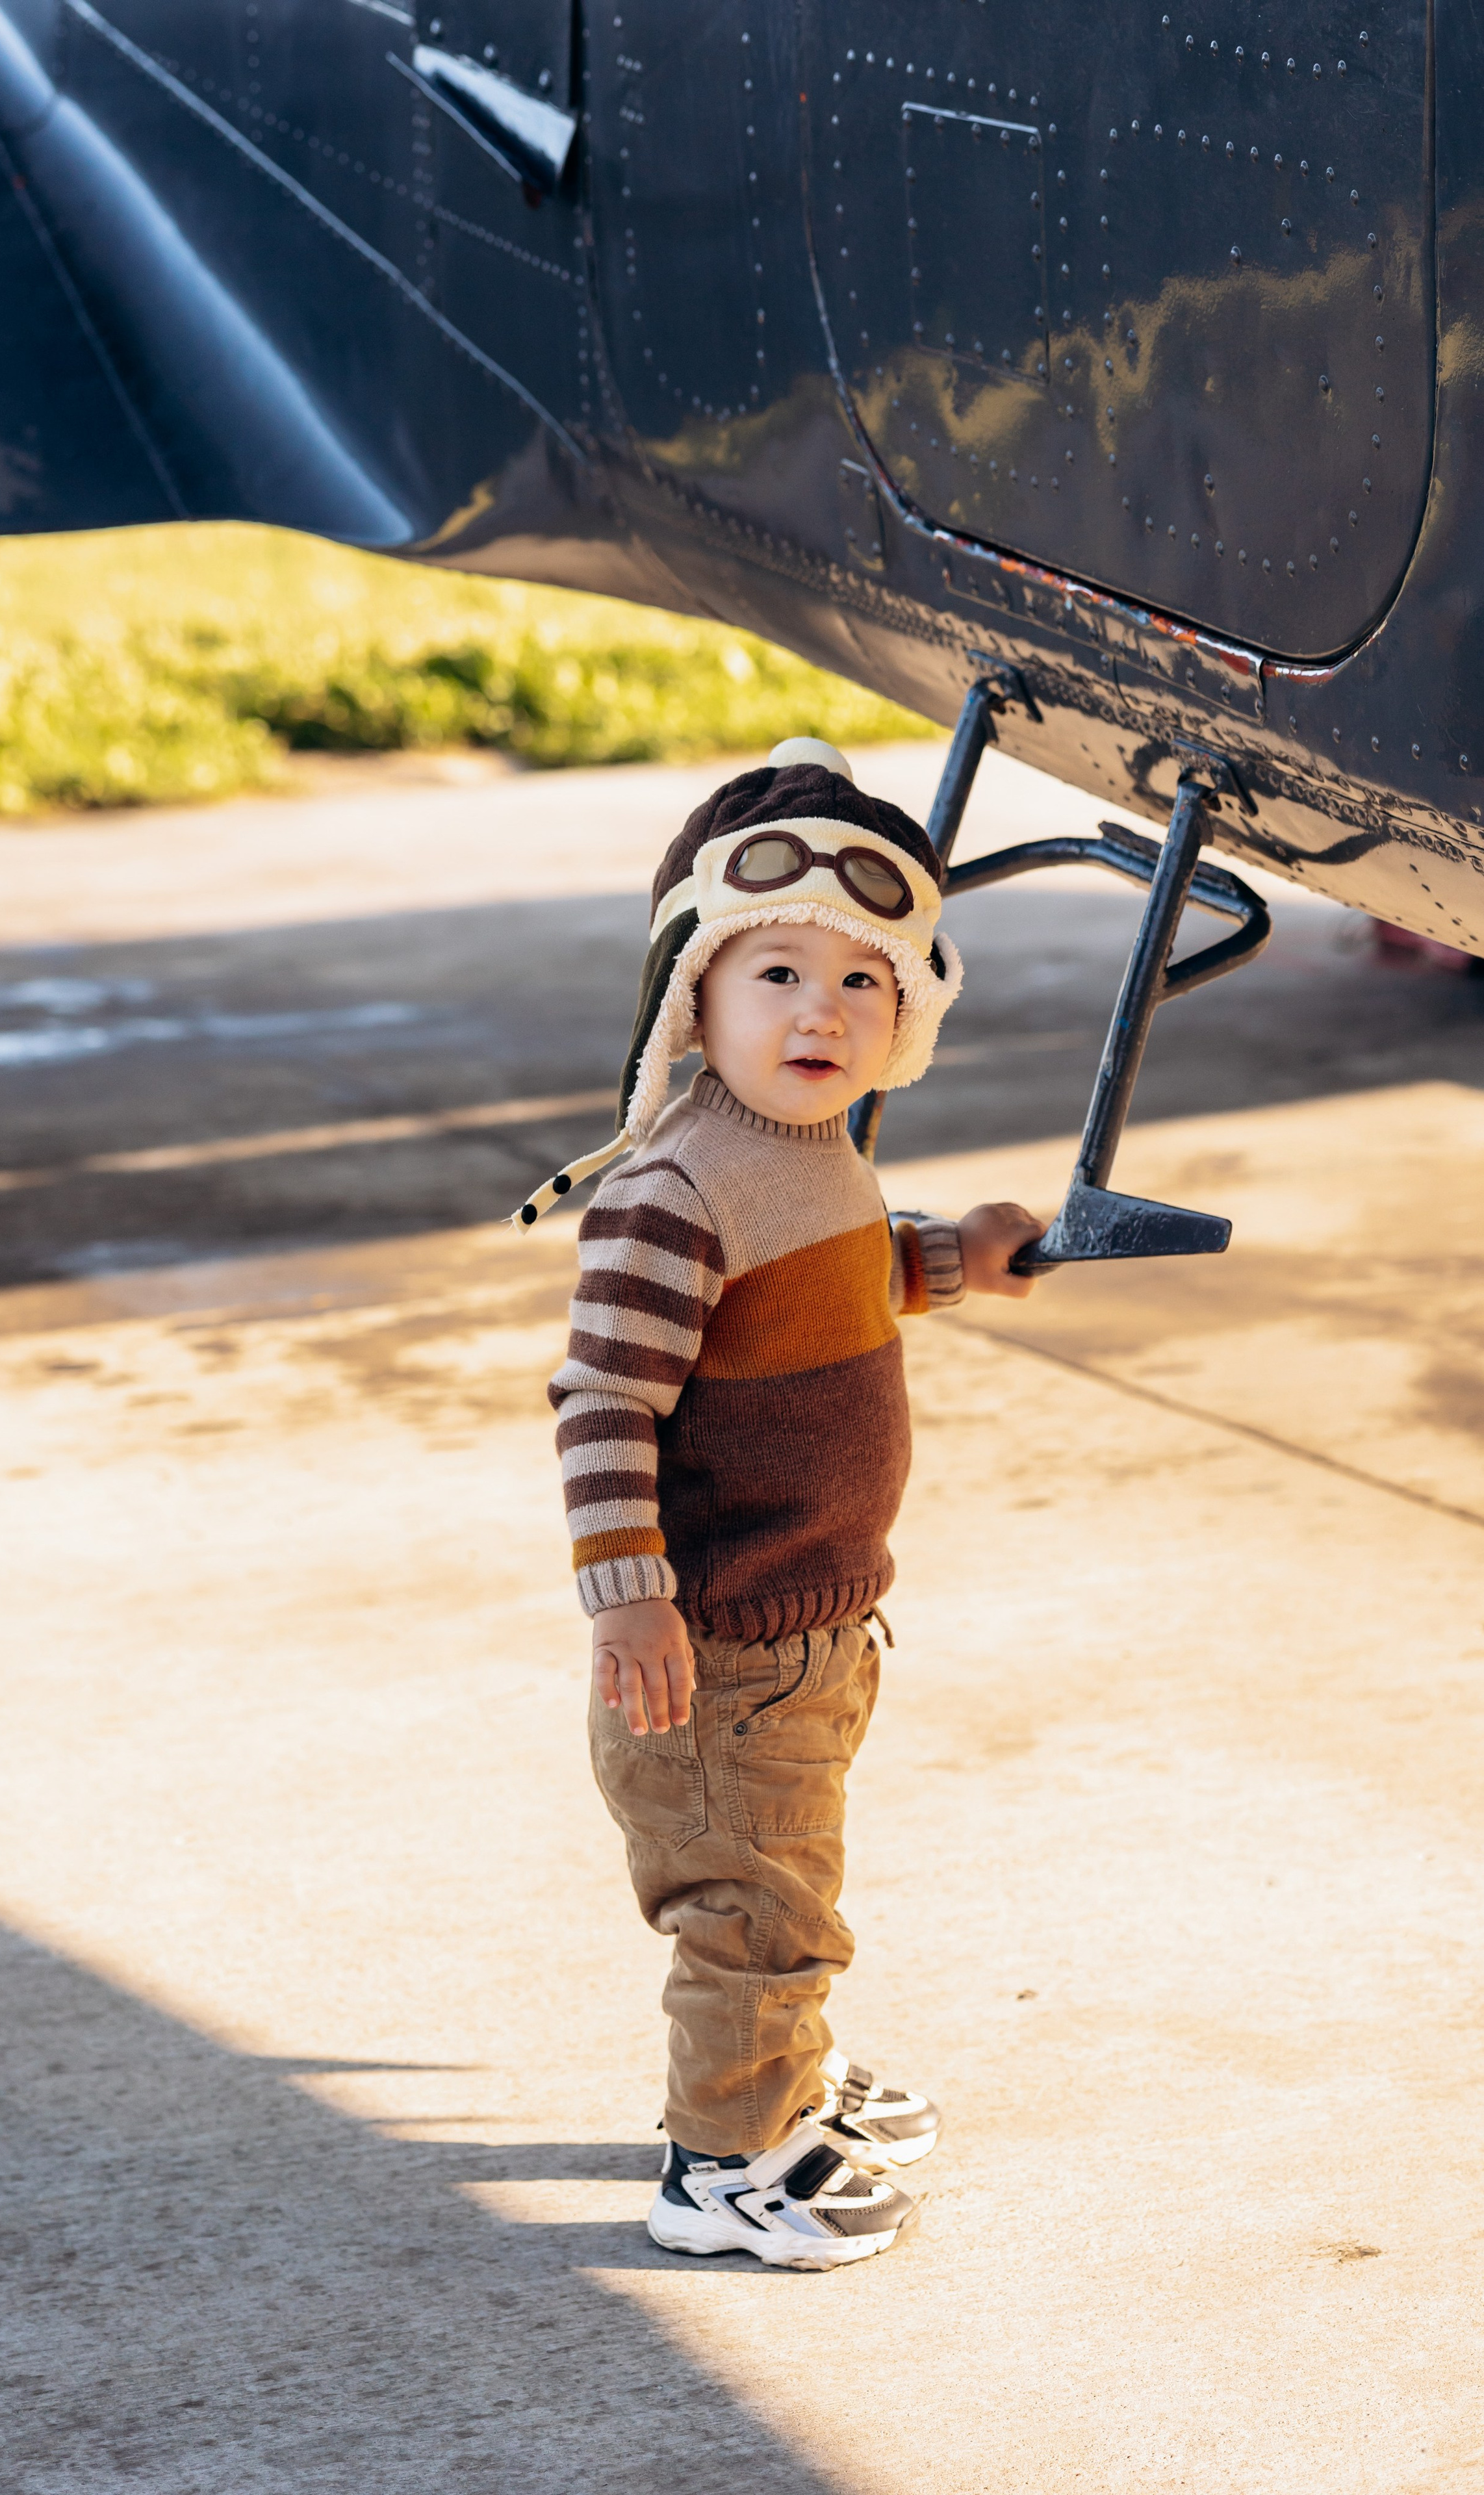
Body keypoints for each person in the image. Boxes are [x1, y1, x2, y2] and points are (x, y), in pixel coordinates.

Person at [517, 737, 1044, 2271]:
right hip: (716, 1651)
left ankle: (779, 2078)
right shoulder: (671, 1192)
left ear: (909, 1010)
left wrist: (966, 1255)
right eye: (777, 975)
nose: (820, 1009)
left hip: (811, 1631)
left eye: (861, 980)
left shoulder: (810, 1157)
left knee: (785, 1888)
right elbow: (603, 1401)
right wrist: (627, 1593)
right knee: (753, 1919)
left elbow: (846, 1285)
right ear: (696, 994)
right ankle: (726, 2163)